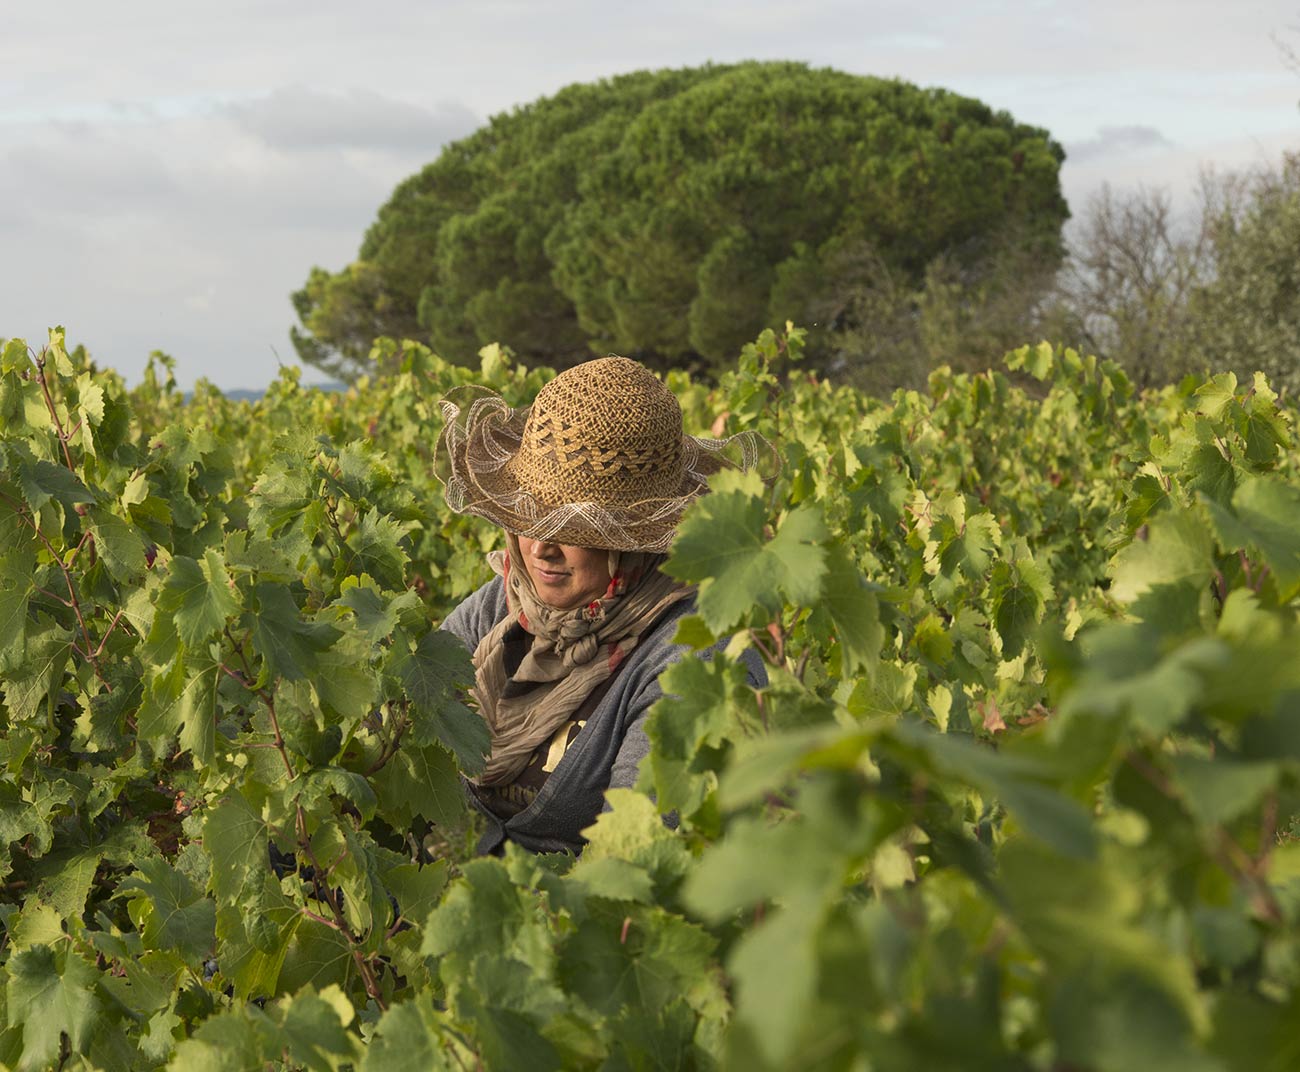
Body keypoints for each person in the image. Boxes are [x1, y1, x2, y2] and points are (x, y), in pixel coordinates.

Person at [435, 355, 773, 855]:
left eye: (572, 533)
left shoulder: (693, 656)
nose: (540, 548)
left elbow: (635, 860)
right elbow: (399, 747)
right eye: (529, 521)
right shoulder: (500, 608)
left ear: (633, 543)